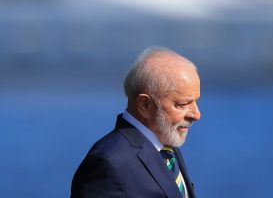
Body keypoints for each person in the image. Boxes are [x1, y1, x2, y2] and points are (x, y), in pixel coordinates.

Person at [71, 47, 201, 198]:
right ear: (144, 105)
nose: (196, 115)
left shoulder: (167, 147)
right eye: (183, 104)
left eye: (196, 101)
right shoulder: (110, 162)